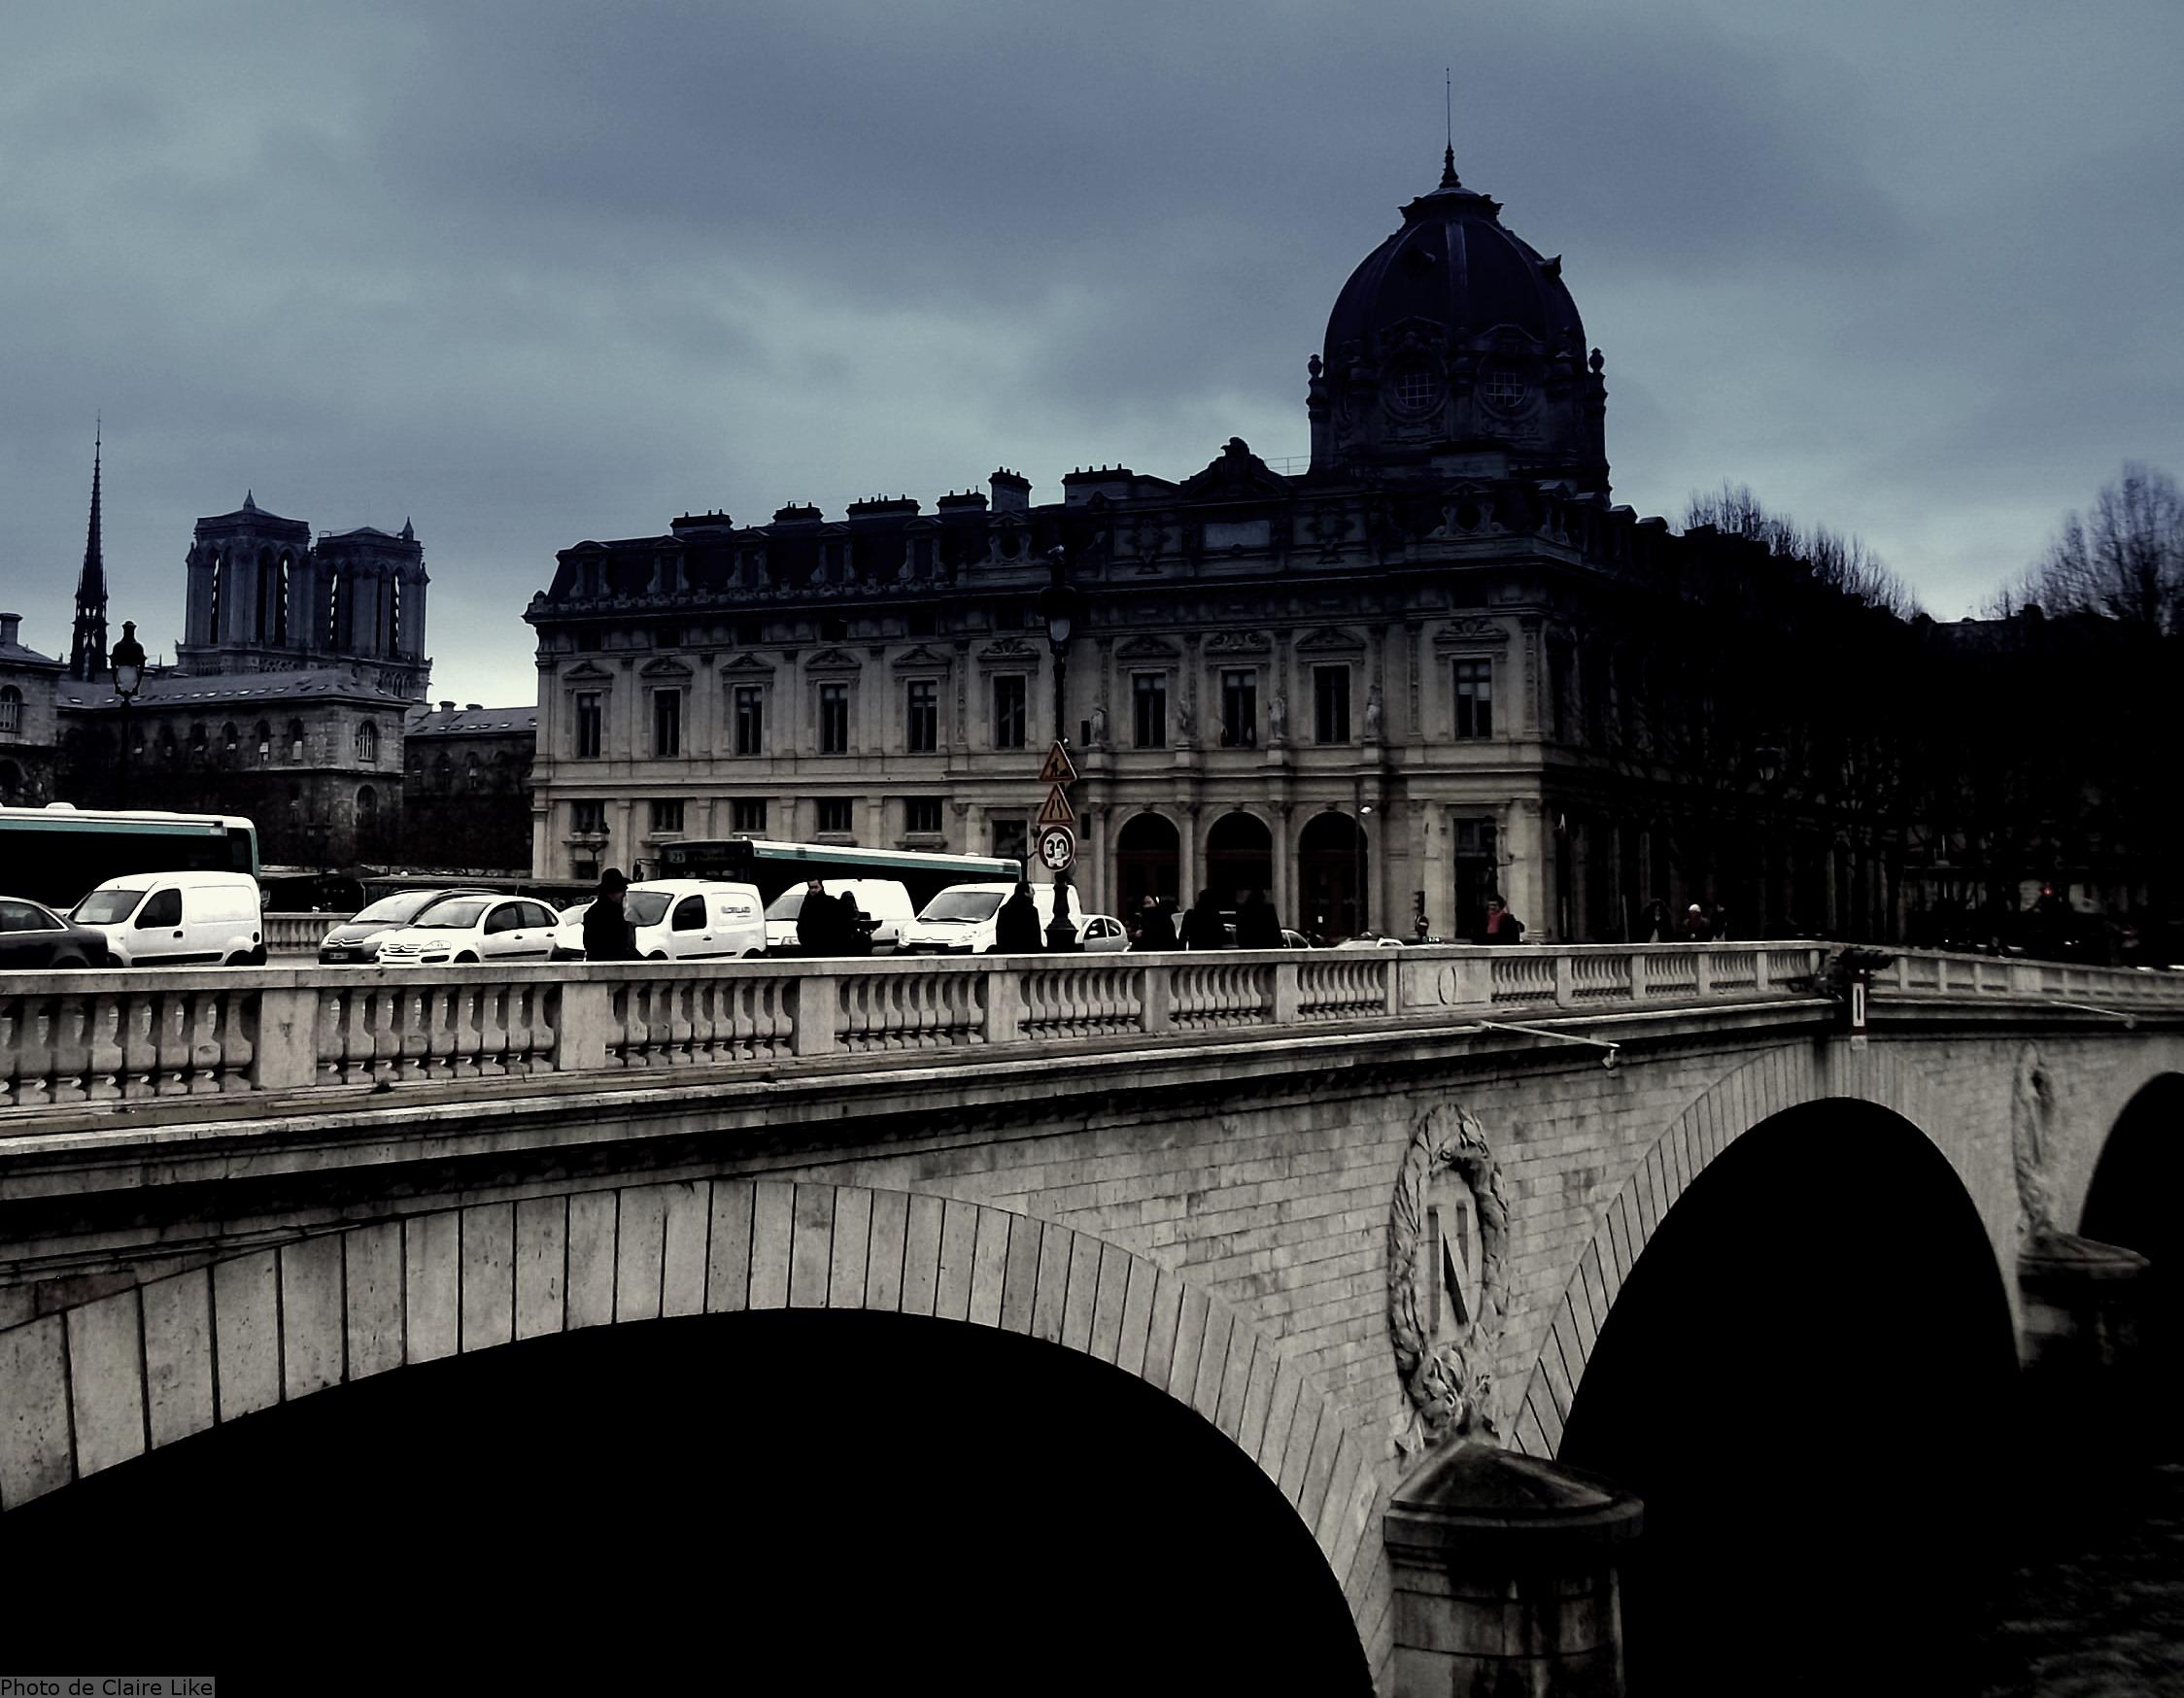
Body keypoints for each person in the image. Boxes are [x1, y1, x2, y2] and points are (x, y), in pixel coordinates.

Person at [582, 867, 638, 962]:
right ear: (611, 892)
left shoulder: (617, 911)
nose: (624, 894)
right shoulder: (597, 914)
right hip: (606, 967)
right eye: (621, 891)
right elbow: (600, 946)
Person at [796, 878, 841, 956]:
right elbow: (801, 926)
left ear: (821, 887)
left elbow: (839, 926)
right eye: (811, 887)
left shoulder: (831, 903)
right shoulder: (806, 905)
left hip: (830, 949)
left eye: (815, 887)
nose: (813, 890)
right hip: (810, 950)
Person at [995, 881, 1043, 952]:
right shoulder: (1032, 911)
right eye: (1032, 890)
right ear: (1025, 893)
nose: (1034, 893)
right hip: (1028, 953)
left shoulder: (1004, 910)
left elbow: (1000, 933)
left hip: (1008, 953)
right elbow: (1035, 935)